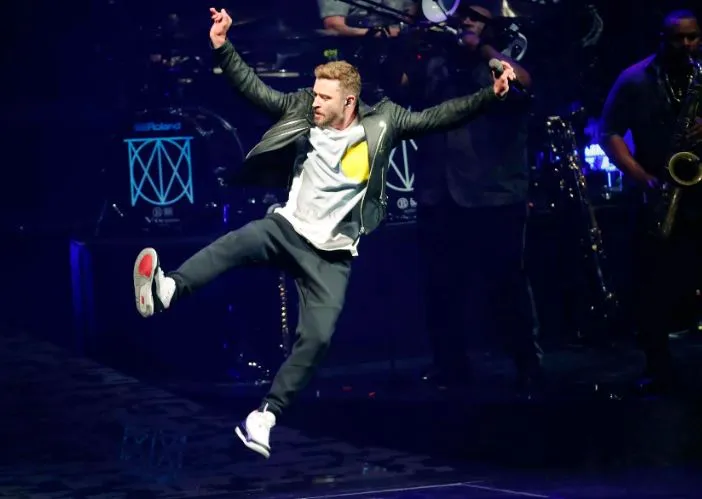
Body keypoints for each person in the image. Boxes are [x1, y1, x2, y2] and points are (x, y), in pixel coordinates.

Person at [133, 7, 517, 459]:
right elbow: (255, 91)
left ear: (348, 102)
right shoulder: (302, 110)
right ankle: (167, 290)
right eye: (314, 93)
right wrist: (222, 46)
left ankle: (264, 417)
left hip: (331, 256)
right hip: (287, 228)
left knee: (317, 337)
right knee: (234, 244)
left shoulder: (382, 123)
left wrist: (490, 95)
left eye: (323, 97)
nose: (314, 102)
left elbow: (440, 116)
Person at [412, 2, 542, 390]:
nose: (465, 21)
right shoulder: (437, 63)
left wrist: (481, 49)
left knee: (506, 284)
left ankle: (526, 365)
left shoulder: (508, 54)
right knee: (442, 287)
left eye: (475, 16)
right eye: (461, 14)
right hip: (440, 192)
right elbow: (402, 93)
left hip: (494, 191)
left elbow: (521, 84)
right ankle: (450, 367)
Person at [600, 9, 701, 392]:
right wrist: (641, 176)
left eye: (693, 37)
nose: (687, 45)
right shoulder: (635, 79)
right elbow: (609, 132)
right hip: (658, 189)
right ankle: (659, 368)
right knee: (652, 286)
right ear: (662, 38)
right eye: (678, 39)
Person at [318, 0, 416, 37]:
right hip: (354, 49)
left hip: (399, 48)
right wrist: (383, 33)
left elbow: (409, 15)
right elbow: (334, 26)